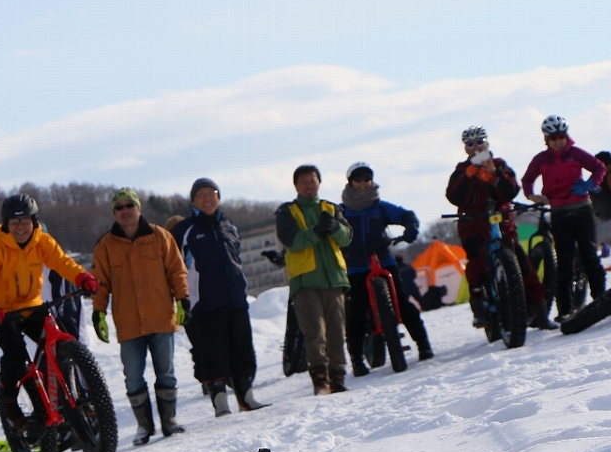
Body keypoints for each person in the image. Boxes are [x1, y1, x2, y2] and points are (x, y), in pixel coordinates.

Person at [0, 194, 99, 431]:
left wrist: (83, 277)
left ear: (34, 222)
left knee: (61, 338)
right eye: (14, 222)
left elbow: (62, 262)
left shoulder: (43, 241)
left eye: (25, 221)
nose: (20, 227)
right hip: (0, 311)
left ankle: (71, 390)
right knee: (15, 353)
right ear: (6, 224)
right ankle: (9, 397)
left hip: (31, 306)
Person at [91, 188, 190, 444]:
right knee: (133, 376)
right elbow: (100, 284)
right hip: (128, 323)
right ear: (115, 212)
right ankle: (144, 426)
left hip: (160, 317)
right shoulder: (106, 246)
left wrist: (183, 299)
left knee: (166, 372)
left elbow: (177, 271)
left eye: (129, 205)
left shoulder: (160, 236)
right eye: (119, 207)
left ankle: (169, 421)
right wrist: (98, 312)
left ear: (138, 208)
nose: (125, 211)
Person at [170, 178, 264, 416]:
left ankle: (246, 396)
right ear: (193, 200)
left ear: (219, 197)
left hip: (235, 299)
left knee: (243, 351)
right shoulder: (184, 230)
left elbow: (237, 256)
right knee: (213, 354)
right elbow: (174, 267)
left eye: (212, 193)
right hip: (204, 303)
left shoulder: (228, 224)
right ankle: (220, 402)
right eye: (201, 194)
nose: (207, 198)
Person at [446, 126, 555, 331]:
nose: (476, 148)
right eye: (471, 144)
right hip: (473, 224)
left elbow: (511, 190)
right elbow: (454, 197)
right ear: (466, 149)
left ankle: (539, 312)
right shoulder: (460, 170)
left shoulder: (499, 164)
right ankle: (479, 304)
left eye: (480, 142)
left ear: (487, 143)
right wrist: (468, 178)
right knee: (476, 261)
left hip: (501, 221)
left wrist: (495, 176)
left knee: (522, 263)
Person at [337, 162, 433, 376]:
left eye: (367, 179)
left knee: (402, 301)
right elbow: (332, 229)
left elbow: (407, 215)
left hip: (384, 260)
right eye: (358, 179)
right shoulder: (341, 211)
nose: (363, 184)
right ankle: (357, 360)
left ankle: (423, 344)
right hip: (356, 266)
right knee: (357, 312)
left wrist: (411, 228)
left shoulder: (380, 206)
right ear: (350, 183)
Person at [275, 165, 353, 395]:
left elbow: (347, 238)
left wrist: (334, 227)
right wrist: (315, 233)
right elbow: (291, 240)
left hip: (333, 278)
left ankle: (337, 378)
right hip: (305, 280)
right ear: (296, 185)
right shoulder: (287, 211)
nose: (309, 185)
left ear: (319, 182)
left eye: (312, 181)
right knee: (314, 332)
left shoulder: (331, 208)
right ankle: (320, 380)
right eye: (304, 182)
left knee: (337, 332)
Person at [521, 116, 607, 321]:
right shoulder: (541, 159)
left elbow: (599, 168)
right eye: (553, 138)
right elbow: (527, 180)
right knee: (565, 261)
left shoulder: (576, 154)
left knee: (589, 255)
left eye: (561, 136)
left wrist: (588, 185)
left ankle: (601, 299)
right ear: (547, 139)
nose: (558, 141)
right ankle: (565, 309)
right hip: (559, 212)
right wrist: (532, 196)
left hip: (582, 209)